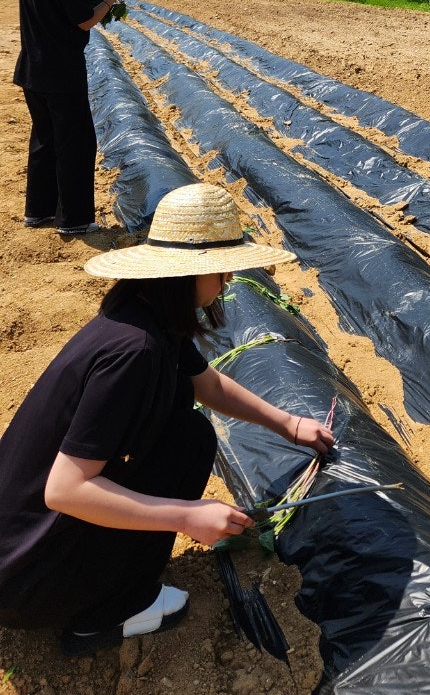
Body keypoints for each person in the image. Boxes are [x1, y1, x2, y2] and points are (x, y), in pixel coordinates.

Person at [0, 183, 334, 657]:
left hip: (14, 543)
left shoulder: (144, 313)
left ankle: (104, 574)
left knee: (189, 436)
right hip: (23, 580)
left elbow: (207, 384)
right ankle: (104, 614)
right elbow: (64, 490)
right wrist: (187, 515)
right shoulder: (133, 354)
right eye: (219, 270)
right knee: (187, 445)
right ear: (186, 273)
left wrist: (287, 423)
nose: (228, 280)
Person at [13, 0, 136, 236]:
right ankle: (75, 219)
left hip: (32, 71)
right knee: (76, 144)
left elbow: (64, 7)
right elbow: (84, 19)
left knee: (45, 140)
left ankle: (37, 211)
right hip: (60, 74)